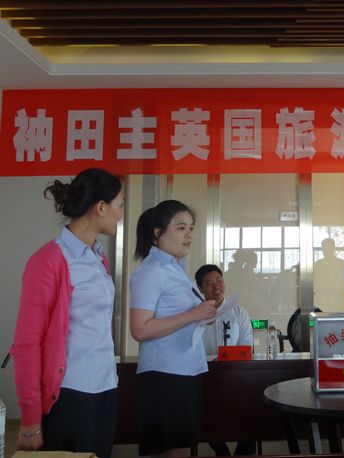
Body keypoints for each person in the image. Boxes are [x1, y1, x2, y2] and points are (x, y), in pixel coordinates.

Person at [11, 168, 124, 458]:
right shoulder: (48, 260)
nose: (120, 213)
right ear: (101, 207)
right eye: (120, 205)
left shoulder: (97, 257)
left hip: (106, 387)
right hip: (70, 395)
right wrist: (30, 422)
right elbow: (26, 343)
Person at [129, 200, 217, 457]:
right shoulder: (152, 270)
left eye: (191, 228)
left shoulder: (176, 268)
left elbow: (180, 318)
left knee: (181, 447)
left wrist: (202, 316)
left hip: (183, 369)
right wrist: (193, 314)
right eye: (180, 228)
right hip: (164, 373)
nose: (189, 235)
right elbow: (140, 329)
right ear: (158, 233)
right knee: (172, 450)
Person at [194, 264, 255, 456]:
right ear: (200, 288)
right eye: (209, 283)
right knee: (206, 415)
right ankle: (221, 451)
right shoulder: (194, 315)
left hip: (235, 378)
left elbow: (247, 348)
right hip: (204, 377)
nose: (216, 286)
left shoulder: (239, 313)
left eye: (219, 280)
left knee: (252, 412)